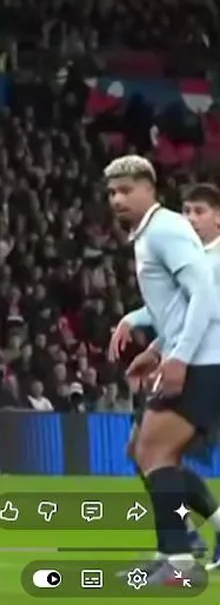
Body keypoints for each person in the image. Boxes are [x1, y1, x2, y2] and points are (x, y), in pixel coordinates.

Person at [106, 156, 220, 587]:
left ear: (149, 189)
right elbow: (176, 305)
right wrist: (157, 349)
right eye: (112, 193)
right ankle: (173, 552)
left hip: (203, 361)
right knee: (148, 452)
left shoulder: (166, 231)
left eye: (126, 190)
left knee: (153, 452)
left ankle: (179, 558)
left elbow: (204, 295)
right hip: (191, 356)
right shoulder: (152, 233)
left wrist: (179, 357)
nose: (117, 199)